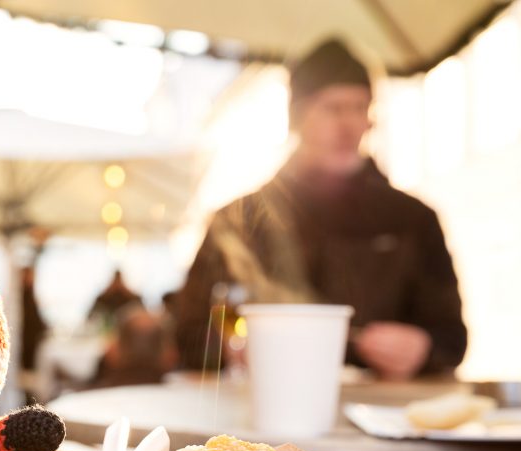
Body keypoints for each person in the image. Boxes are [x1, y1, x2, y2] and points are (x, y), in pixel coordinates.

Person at [172, 39, 466, 380]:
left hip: (380, 411)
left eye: (360, 108)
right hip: (263, 410)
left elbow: (452, 338)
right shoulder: (238, 221)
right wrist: (230, 349)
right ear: (298, 116)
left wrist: (424, 347)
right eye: (333, 108)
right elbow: (189, 334)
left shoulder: (413, 220)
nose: (349, 124)